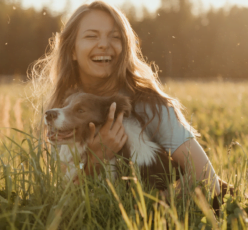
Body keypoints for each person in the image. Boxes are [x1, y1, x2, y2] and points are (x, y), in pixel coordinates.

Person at [30, 1, 221, 197]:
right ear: (72, 50)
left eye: (115, 37)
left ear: (125, 47)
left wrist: (151, 206)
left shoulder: (151, 105)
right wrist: (96, 160)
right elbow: (66, 198)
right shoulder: (61, 111)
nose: (104, 44)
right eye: (91, 36)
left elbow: (209, 180)